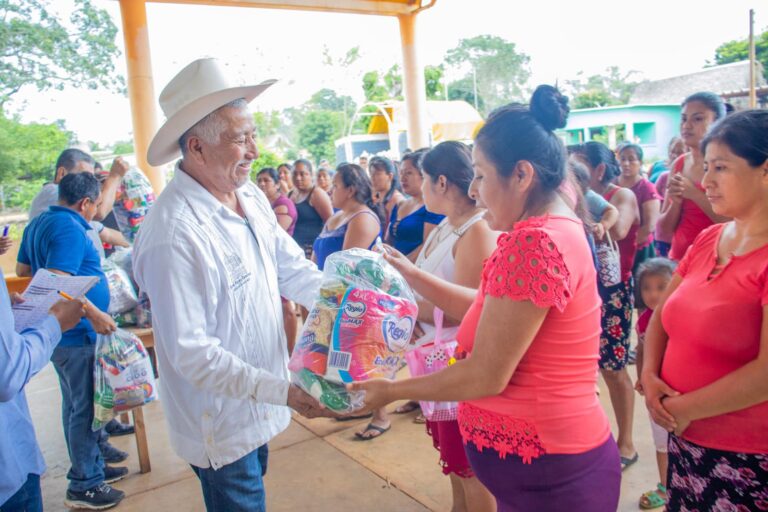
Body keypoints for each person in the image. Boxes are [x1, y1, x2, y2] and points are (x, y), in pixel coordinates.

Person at [351, 85, 621, 511]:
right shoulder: (551, 229)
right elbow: (479, 307)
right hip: (542, 472)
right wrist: (411, 272)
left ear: (521, 175)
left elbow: (487, 374)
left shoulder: (535, 243)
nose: (473, 189)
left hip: (549, 474)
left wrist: (389, 391)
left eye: (479, 173)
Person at [133, 58, 335, 512]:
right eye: (239, 139)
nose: (254, 150)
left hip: (260, 404)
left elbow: (290, 267)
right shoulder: (173, 233)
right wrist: (282, 390)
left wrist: (351, 302)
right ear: (196, 147)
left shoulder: (249, 197)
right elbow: (191, 352)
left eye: (253, 134)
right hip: (220, 423)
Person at [641, 109, 768, 510]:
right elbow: (664, 313)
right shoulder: (711, 237)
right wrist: (648, 373)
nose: (705, 180)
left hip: (747, 457)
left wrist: (676, 408)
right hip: (687, 440)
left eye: (721, 168)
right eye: (706, 166)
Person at [382, 140, 498, 511]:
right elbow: (424, 281)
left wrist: (414, 310)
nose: (417, 186)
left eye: (425, 178)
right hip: (434, 361)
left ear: (443, 182)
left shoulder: (477, 230)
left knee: (470, 469)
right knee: (455, 464)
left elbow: (469, 309)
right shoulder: (447, 225)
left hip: (457, 364)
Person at [16, 172, 125, 510]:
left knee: (76, 405)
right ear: (85, 203)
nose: (95, 212)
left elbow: (23, 269)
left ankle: (92, 465)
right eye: (95, 206)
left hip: (62, 336)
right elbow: (58, 283)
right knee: (86, 409)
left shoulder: (39, 222)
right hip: (76, 334)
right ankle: (85, 484)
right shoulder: (70, 227)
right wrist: (93, 312)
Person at [570, 142, 642, 471]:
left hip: (612, 291)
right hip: (584, 290)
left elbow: (622, 227)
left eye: (579, 166)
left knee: (613, 370)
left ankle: (626, 442)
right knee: (585, 371)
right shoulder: (570, 197)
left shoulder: (619, 195)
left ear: (598, 170)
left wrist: (598, 223)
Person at [1, 256, 87, 512]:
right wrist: (55, 325)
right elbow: (7, 373)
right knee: (81, 408)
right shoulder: (68, 229)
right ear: (85, 210)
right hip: (7, 477)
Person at [657, 92, 729, 261]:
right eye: (683, 119)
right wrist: (676, 202)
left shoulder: (727, 163)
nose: (687, 126)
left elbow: (735, 222)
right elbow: (664, 230)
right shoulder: (679, 164)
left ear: (717, 123)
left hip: (715, 259)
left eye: (697, 119)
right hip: (680, 259)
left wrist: (694, 194)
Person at [28, 149, 130, 260]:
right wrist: (114, 176)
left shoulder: (75, 214)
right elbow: (100, 212)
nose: (89, 184)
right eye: (83, 177)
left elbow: (107, 234)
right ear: (62, 173)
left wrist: (137, 241)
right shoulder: (55, 192)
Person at [632, 258, 677, 510]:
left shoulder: (679, 315)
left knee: (678, 438)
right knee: (661, 441)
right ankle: (665, 486)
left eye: (661, 286)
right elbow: (641, 349)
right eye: (647, 287)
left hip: (677, 391)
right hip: (655, 394)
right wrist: (641, 375)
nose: (653, 294)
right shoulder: (644, 319)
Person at [256, 167, 299, 353]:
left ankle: (290, 350)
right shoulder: (264, 204)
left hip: (281, 261)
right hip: (269, 261)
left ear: (276, 184)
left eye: (266, 180)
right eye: (259, 180)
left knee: (286, 307)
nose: (262, 184)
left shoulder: (283, 204)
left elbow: (273, 237)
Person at [312, 163, 382, 270]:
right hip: (322, 283)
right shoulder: (336, 216)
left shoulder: (363, 219)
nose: (330, 191)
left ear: (350, 190)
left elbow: (345, 269)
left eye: (335, 186)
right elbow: (315, 257)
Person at [385, 149, 444, 261]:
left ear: (423, 175)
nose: (402, 178)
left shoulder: (432, 207)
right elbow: (390, 241)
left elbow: (428, 245)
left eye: (409, 173)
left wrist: (402, 265)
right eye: (401, 173)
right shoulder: (400, 205)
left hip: (417, 269)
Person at [617, 143, 662, 273]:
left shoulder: (647, 188)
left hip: (639, 248)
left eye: (631, 159)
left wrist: (628, 247)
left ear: (640, 162)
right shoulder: (612, 184)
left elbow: (649, 226)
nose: (626, 163)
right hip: (616, 248)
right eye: (623, 159)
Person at [290, 158, 333, 258]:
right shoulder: (291, 194)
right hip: (294, 249)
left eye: (302, 174)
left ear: (311, 175)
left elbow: (331, 224)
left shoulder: (317, 194)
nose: (298, 178)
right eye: (294, 174)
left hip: (311, 251)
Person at [369, 156, 405, 223]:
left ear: (390, 176)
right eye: (371, 174)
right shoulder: (374, 198)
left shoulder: (398, 200)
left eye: (377, 174)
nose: (372, 178)